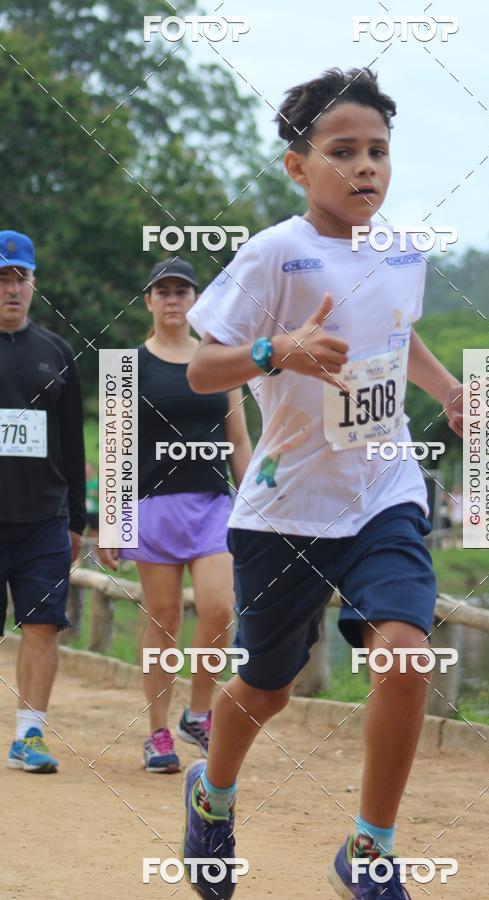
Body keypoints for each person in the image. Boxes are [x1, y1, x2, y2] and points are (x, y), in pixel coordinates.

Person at [182, 68, 464, 899]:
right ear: (298, 166)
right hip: (286, 506)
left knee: (407, 656)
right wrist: (278, 352)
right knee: (265, 686)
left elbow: (398, 336)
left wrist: (445, 389)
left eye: (379, 151)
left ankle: (370, 849)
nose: (366, 167)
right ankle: (214, 791)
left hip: (384, 489)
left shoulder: (405, 250)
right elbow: (202, 369)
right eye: (343, 152)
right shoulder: (274, 254)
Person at [99, 259, 252, 773]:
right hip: (151, 509)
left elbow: (239, 440)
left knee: (219, 609)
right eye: (161, 291)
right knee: (162, 619)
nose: (171, 300)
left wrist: (254, 503)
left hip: (212, 506)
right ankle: (158, 732)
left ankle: (198, 712)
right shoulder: (125, 367)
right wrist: (109, 522)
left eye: (181, 291)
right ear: (148, 301)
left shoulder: (220, 360)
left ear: (195, 300)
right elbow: (114, 445)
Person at [0, 230, 85, 774]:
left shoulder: (56, 351)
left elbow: (74, 441)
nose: (12, 288)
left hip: (44, 522)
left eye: (20, 278)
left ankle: (29, 736)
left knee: (43, 625)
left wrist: (79, 520)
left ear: (35, 284)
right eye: (2, 278)